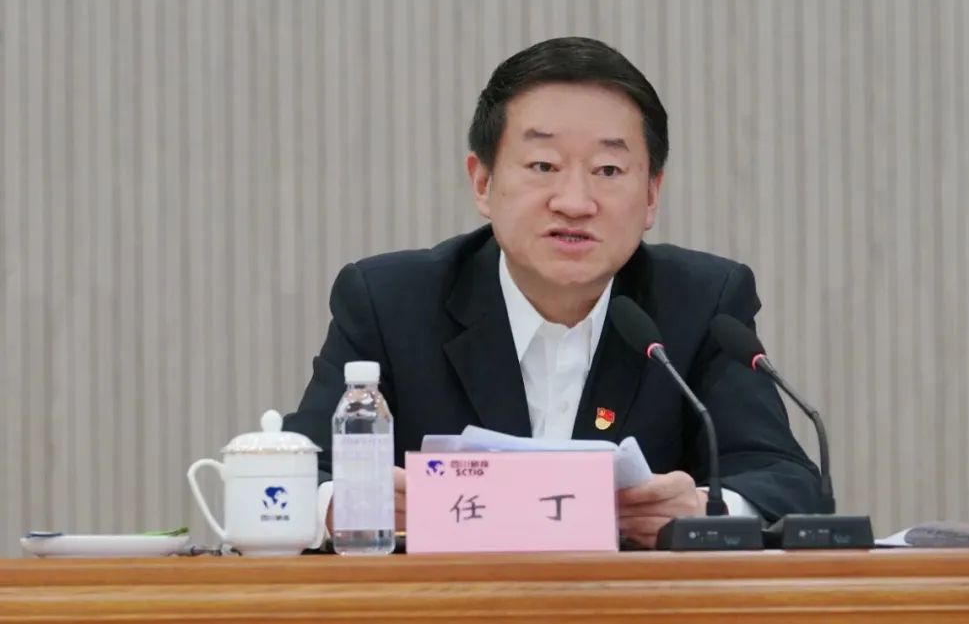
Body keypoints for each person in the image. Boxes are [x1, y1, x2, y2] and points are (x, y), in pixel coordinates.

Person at [283, 37, 824, 548]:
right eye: (543, 166)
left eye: (608, 170)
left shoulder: (702, 303)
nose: (574, 202)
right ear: (483, 183)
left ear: (651, 195)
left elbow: (785, 481)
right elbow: (300, 474)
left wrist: (708, 508)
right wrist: (345, 505)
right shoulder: (390, 302)